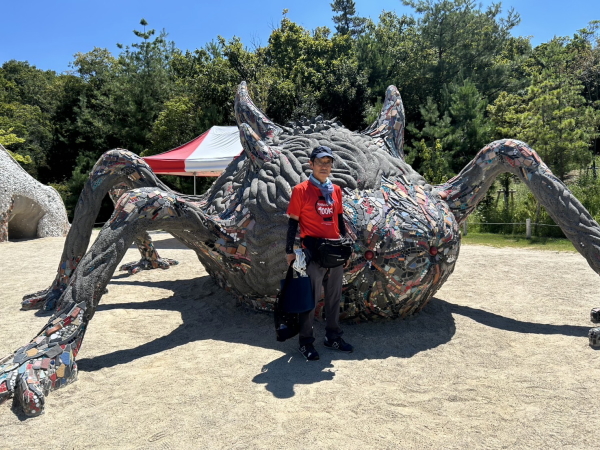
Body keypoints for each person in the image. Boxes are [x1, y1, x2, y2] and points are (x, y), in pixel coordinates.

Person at [285, 145, 354, 361]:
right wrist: (289, 251)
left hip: (334, 252)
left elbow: (339, 219)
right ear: (311, 164)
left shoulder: (336, 190)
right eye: (320, 162)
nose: (324, 166)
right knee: (310, 299)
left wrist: (344, 246)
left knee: (333, 298)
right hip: (313, 252)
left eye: (328, 163)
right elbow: (293, 222)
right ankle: (305, 342)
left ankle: (333, 337)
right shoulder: (301, 190)